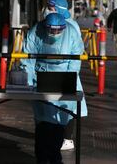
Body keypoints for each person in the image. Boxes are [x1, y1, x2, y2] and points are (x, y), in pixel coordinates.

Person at [21, 13, 87, 163]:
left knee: (59, 122)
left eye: (59, 31)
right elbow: (27, 58)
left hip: (65, 77)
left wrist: (69, 78)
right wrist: (30, 81)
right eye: (52, 30)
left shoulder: (71, 33)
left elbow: (76, 59)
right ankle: (44, 158)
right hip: (40, 77)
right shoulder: (35, 32)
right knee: (43, 122)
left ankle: (54, 156)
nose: (55, 34)